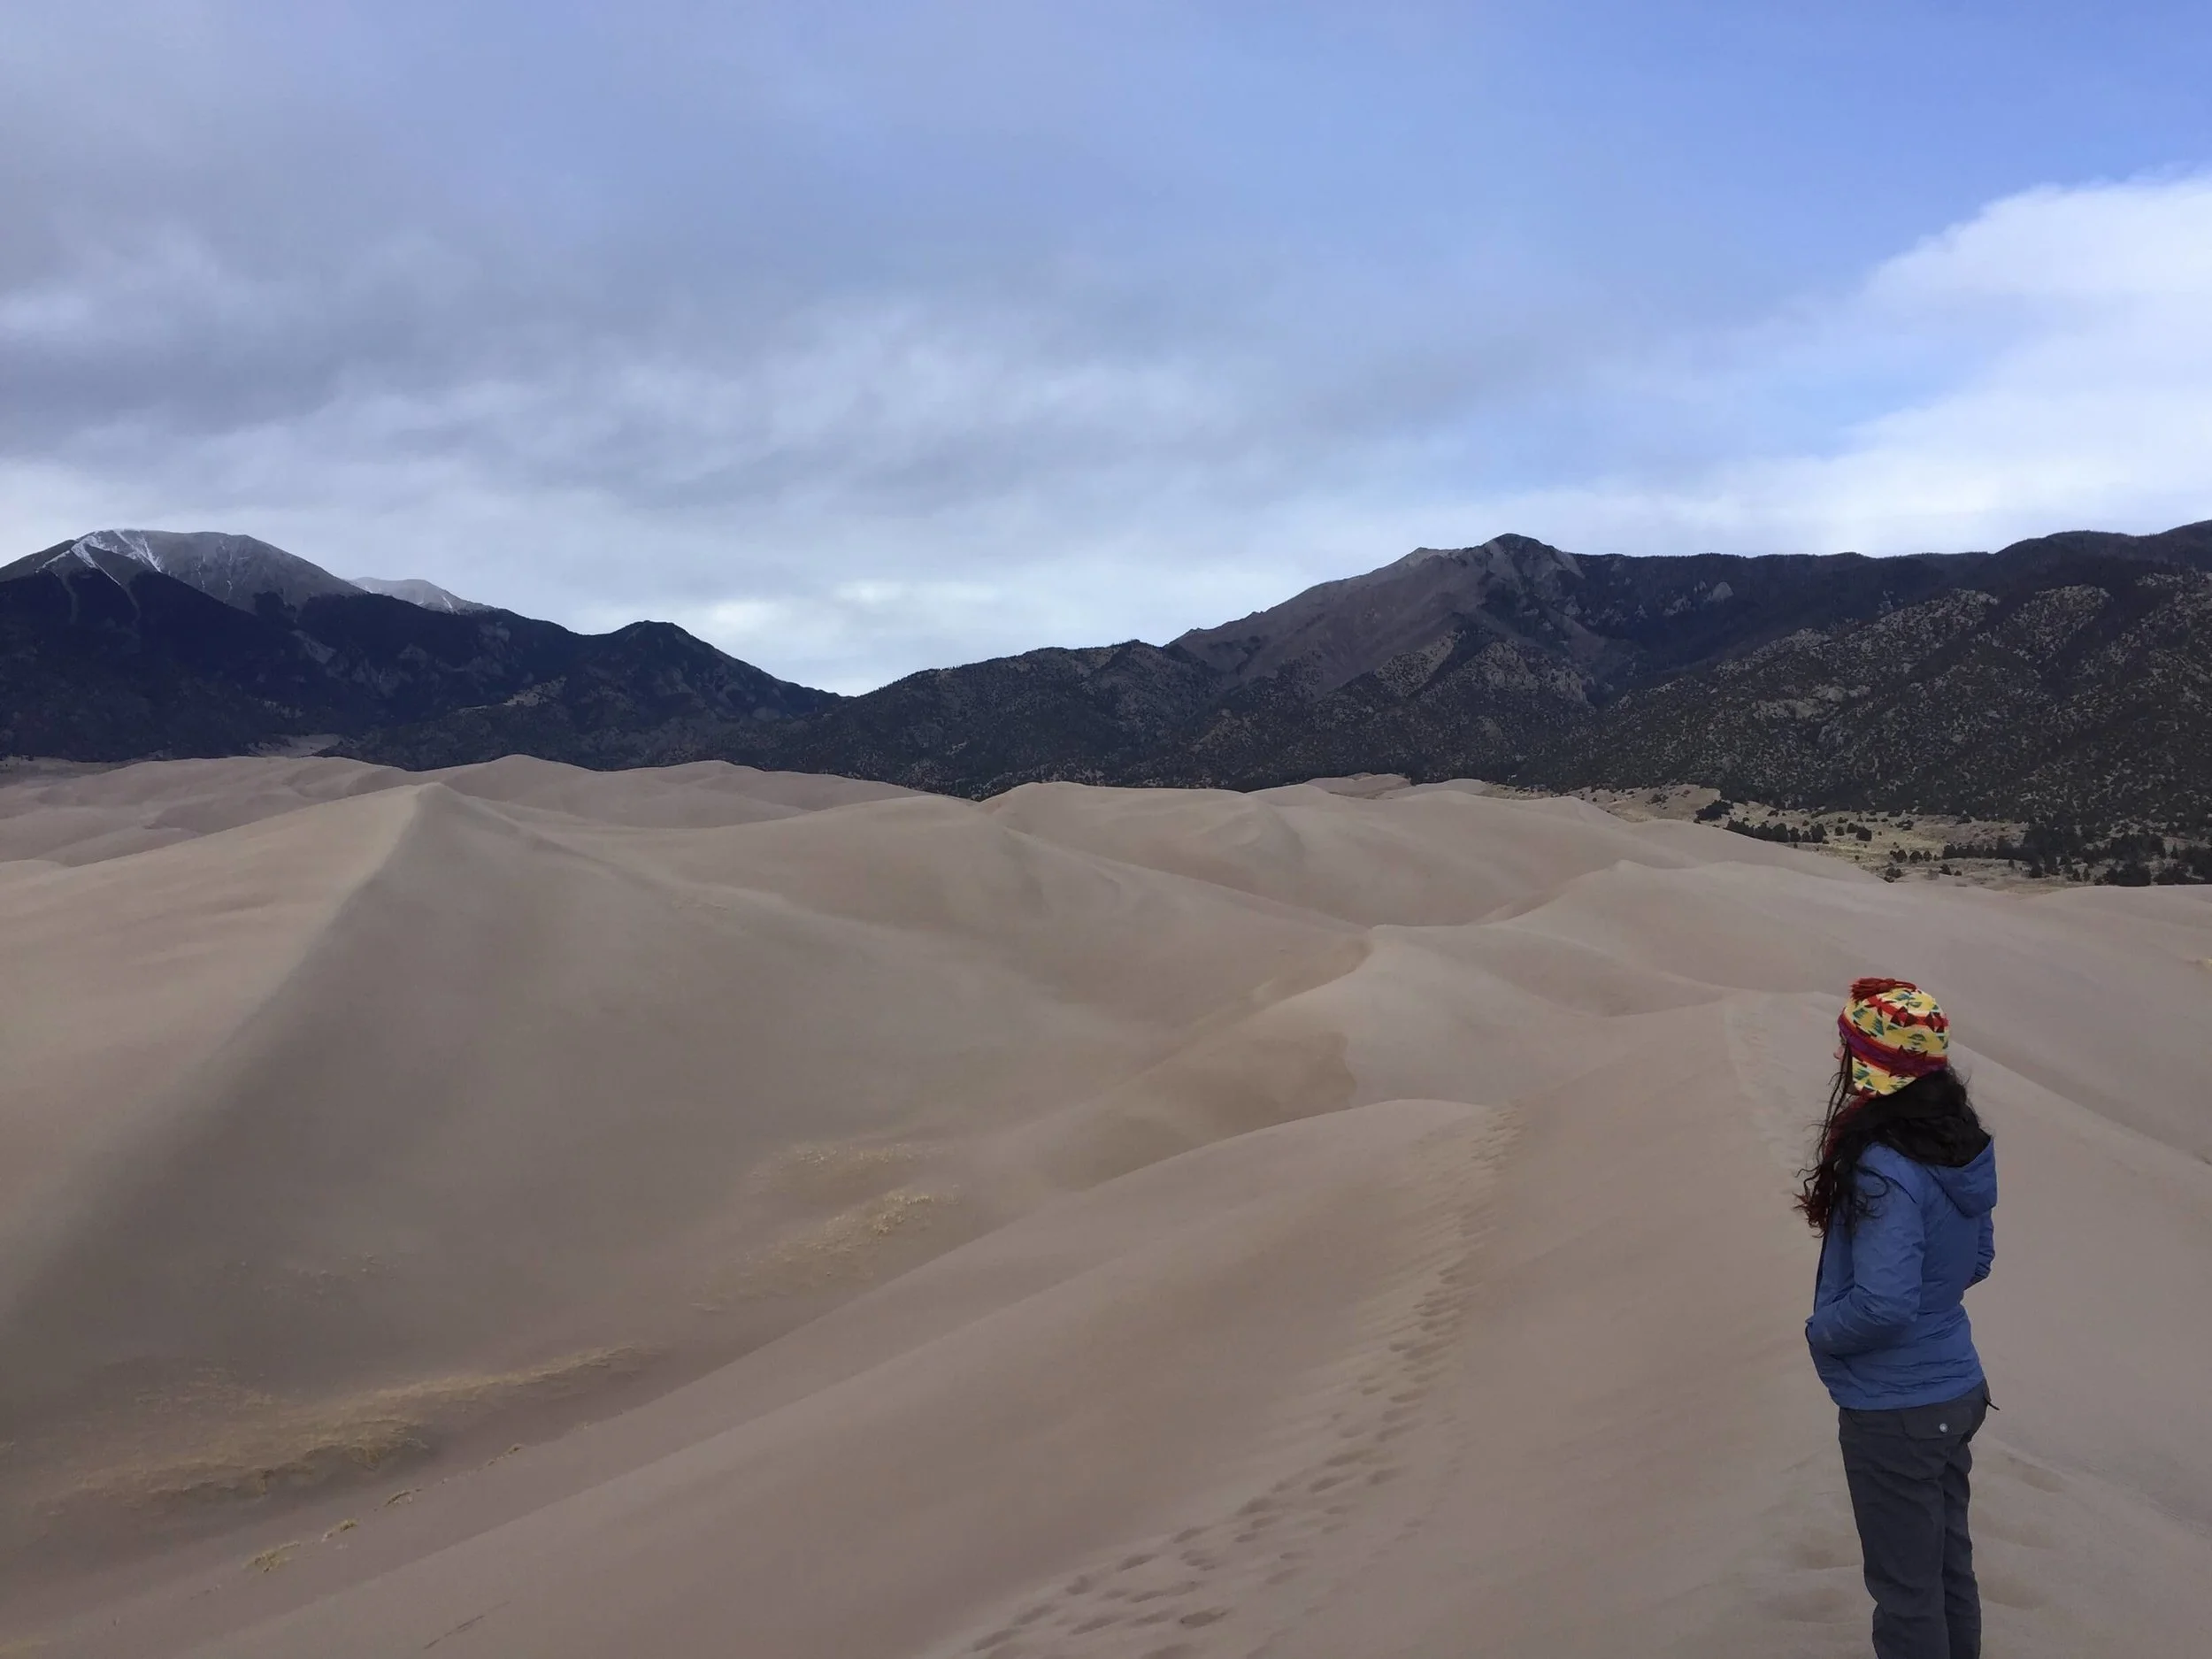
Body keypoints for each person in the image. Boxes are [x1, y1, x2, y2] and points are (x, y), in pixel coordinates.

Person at [1801, 977, 1997, 1659]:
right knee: (1947, 1572)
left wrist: (1822, 1332)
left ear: (1876, 1066)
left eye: (1850, 1049)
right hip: (1954, 1386)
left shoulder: (1884, 1165)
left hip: (1898, 1407)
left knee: (1905, 1589)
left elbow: (1884, 1302)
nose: (1840, 1062)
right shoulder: (1956, 1146)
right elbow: (1979, 1259)